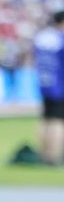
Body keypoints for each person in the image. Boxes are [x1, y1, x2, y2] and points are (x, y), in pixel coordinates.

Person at [33, 9, 64, 166]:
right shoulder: (61, 38)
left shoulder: (42, 37)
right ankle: (55, 157)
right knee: (58, 122)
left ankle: (44, 154)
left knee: (46, 119)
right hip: (60, 86)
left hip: (46, 84)